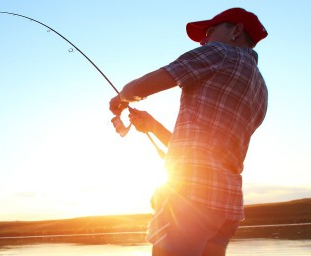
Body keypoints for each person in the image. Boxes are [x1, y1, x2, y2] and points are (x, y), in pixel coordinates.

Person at [108, 8, 268, 256]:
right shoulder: (261, 88)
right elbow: (205, 150)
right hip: (227, 204)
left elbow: (139, 87)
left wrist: (121, 98)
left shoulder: (219, 53)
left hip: (192, 196)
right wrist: (153, 126)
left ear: (236, 30)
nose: (204, 40)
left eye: (210, 31)